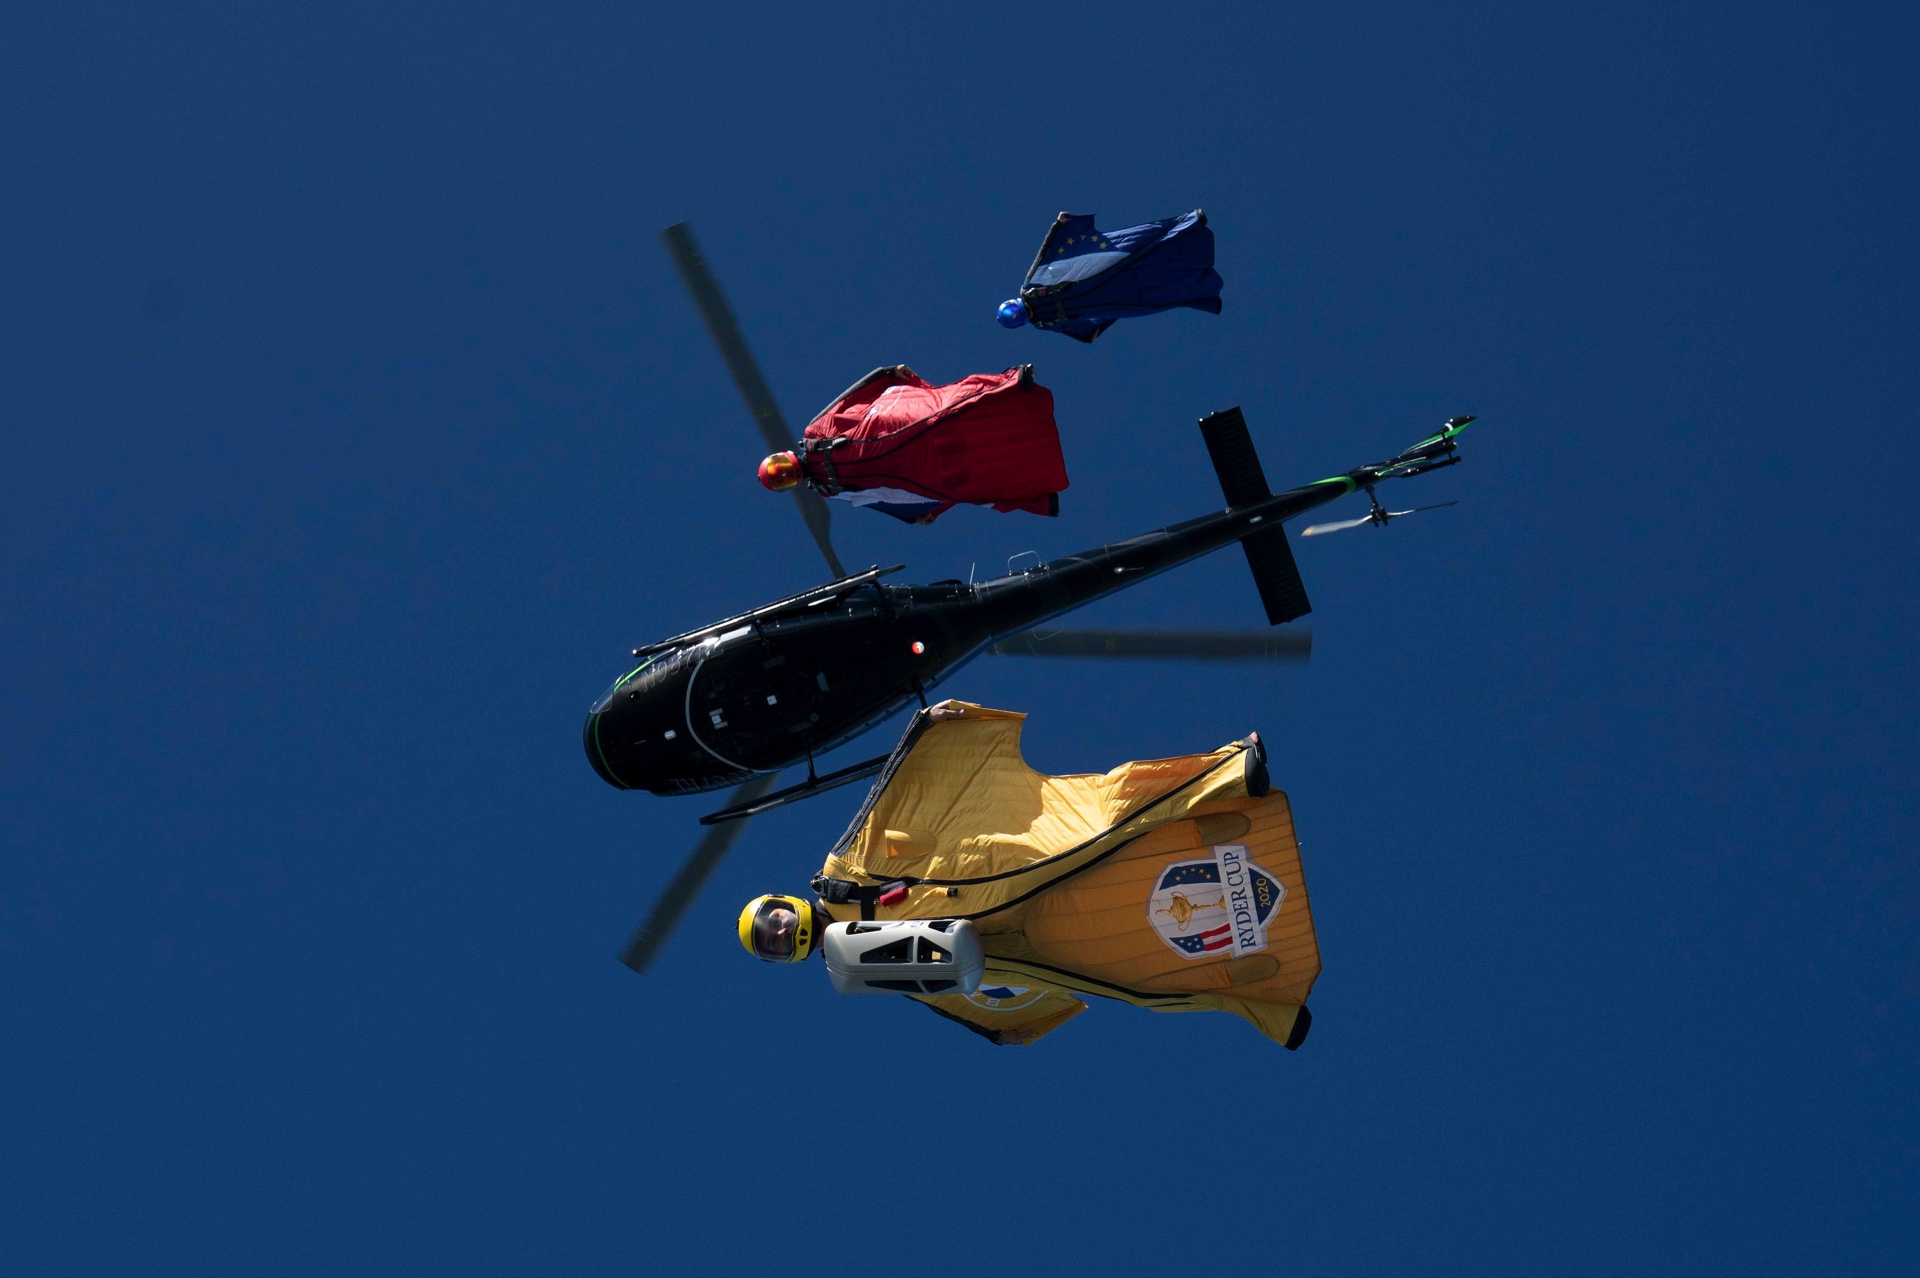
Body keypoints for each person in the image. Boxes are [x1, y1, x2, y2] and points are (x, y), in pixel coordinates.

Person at [737, 701, 1319, 1049]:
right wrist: (999, 1027)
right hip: (1003, 945)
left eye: (773, 921)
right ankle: (1266, 1005)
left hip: (992, 873)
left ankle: (1229, 771)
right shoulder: (854, 964)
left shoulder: (841, 873)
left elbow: (890, 804)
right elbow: (934, 988)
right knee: (1124, 979)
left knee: (1103, 820)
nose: (782, 931)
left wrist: (928, 731)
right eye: (773, 943)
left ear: (782, 901)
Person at [755, 364, 1068, 524]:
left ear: (784, 455)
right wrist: (915, 514)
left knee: (948, 411)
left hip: (895, 427)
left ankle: (1013, 387)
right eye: (783, 479)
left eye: (779, 468)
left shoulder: (815, 435)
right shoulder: (830, 489)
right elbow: (876, 499)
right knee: (962, 476)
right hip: (911, 468)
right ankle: (1032, 479)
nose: (787, 473)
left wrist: (887, 374)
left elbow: (848, 398)